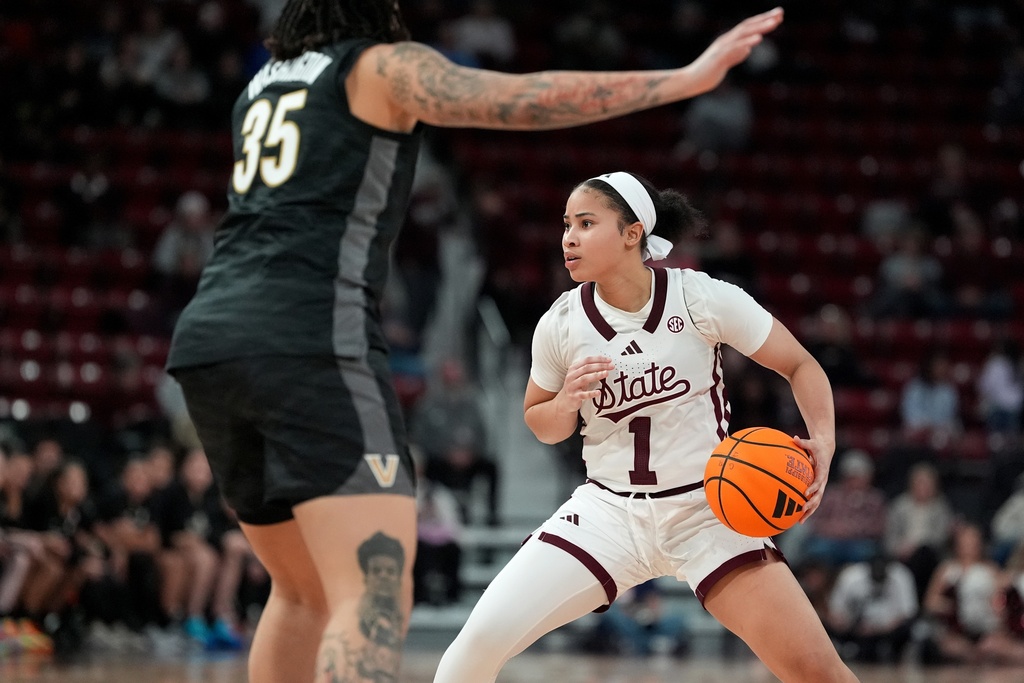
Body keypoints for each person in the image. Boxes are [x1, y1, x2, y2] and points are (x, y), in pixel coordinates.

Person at [163, 2, 786, 681]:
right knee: (367, 589)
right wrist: (684, 79)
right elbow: (525, 96)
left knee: (302, 590)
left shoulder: (266, 83)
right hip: (307, 330)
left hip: (210, 334)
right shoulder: (378, 67)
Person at [433, 172, 855, 682]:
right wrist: (566, 401)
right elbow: (540, 423)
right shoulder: (561, 324)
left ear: (633, 234)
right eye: (567, 224)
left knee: (818, 672)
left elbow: (801, 364)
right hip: (609, 512)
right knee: (471, 650)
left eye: (587, 223)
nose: (568, 237)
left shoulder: (700, 298)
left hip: (708, 509)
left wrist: (825, 442)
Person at [826, 551, 918, 663]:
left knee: (907, 629)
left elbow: (908, 613)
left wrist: (878, 629)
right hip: (854, 629)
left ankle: (893, 655)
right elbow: (835, 610)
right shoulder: (850, 577)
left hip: (887, 631)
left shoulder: (901, 575)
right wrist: (850, 626)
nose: (878, 571)